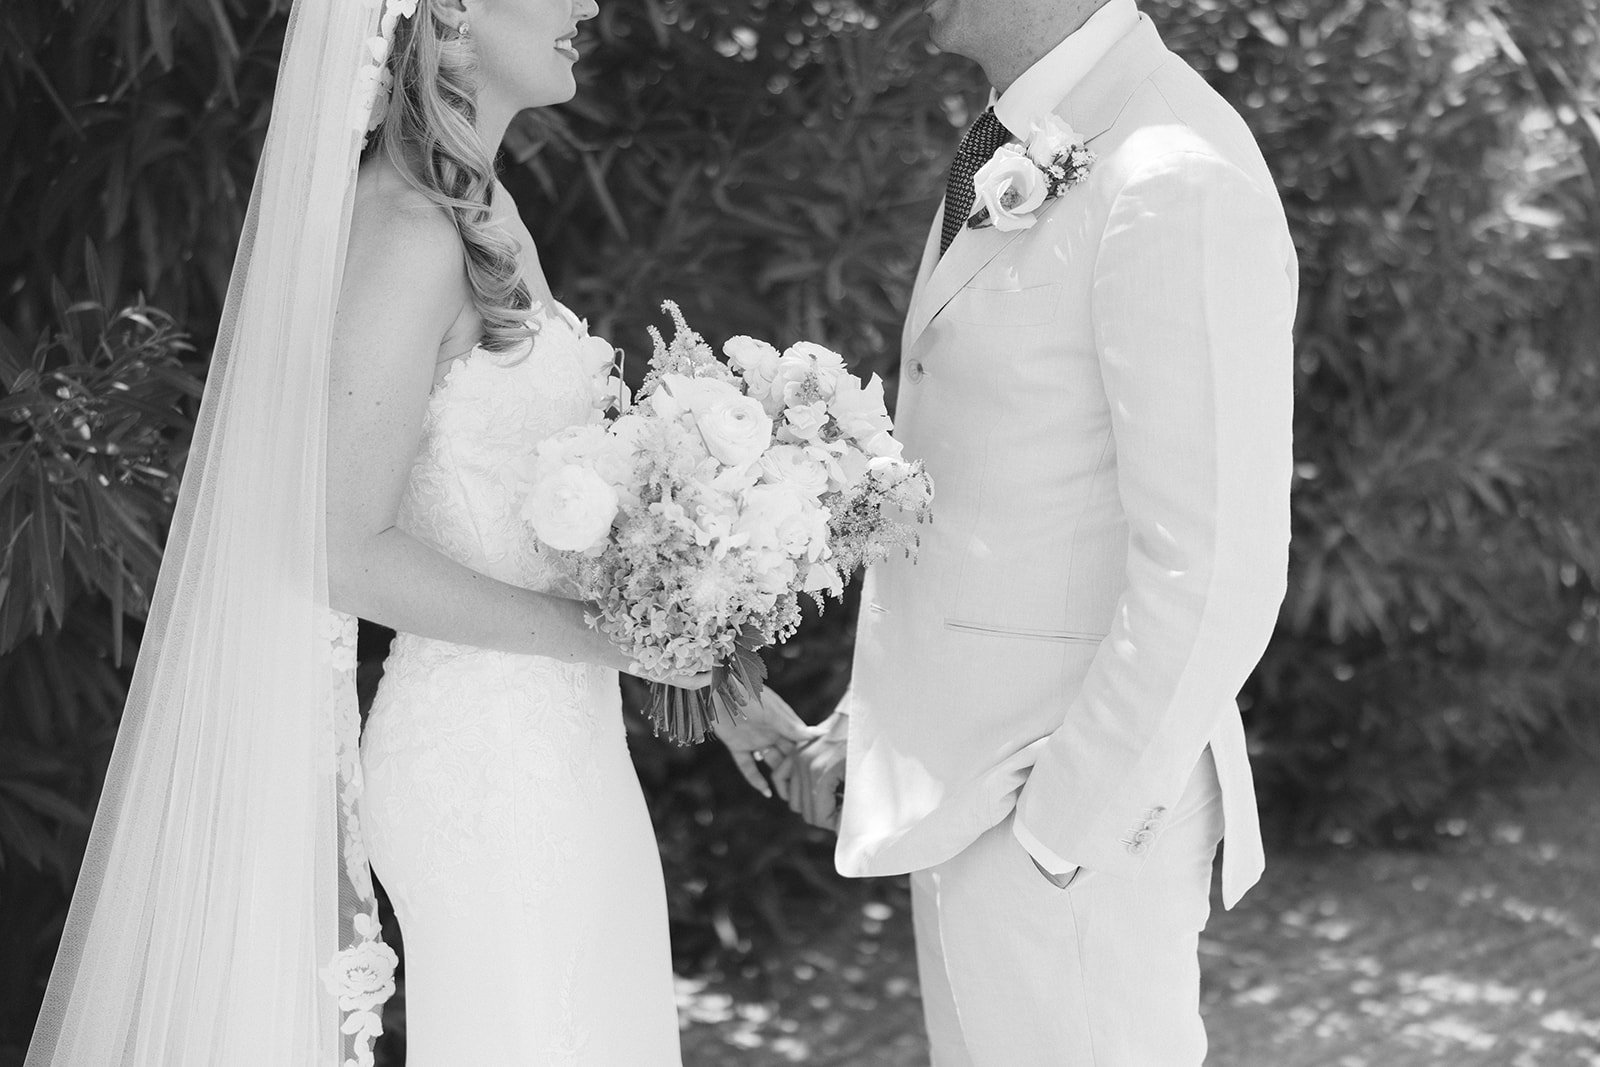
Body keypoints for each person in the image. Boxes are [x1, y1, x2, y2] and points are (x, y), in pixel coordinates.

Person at [26, 0, 804, 1063]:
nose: (586, 4)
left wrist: (720, 683)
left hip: (559, 748)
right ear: (452, 12)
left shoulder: (482, 207)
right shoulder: (405, 233)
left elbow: (544, 529)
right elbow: (343, 551)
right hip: (484, 773)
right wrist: (615, 642)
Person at [780, 0, 1297, 1062]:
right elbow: (1000, 482)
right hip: (963, 798)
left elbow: (1215, 568)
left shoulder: (1172, 171)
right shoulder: (1018, 131)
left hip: (1059, 831)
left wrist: (1061, 833)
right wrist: (881, 715)